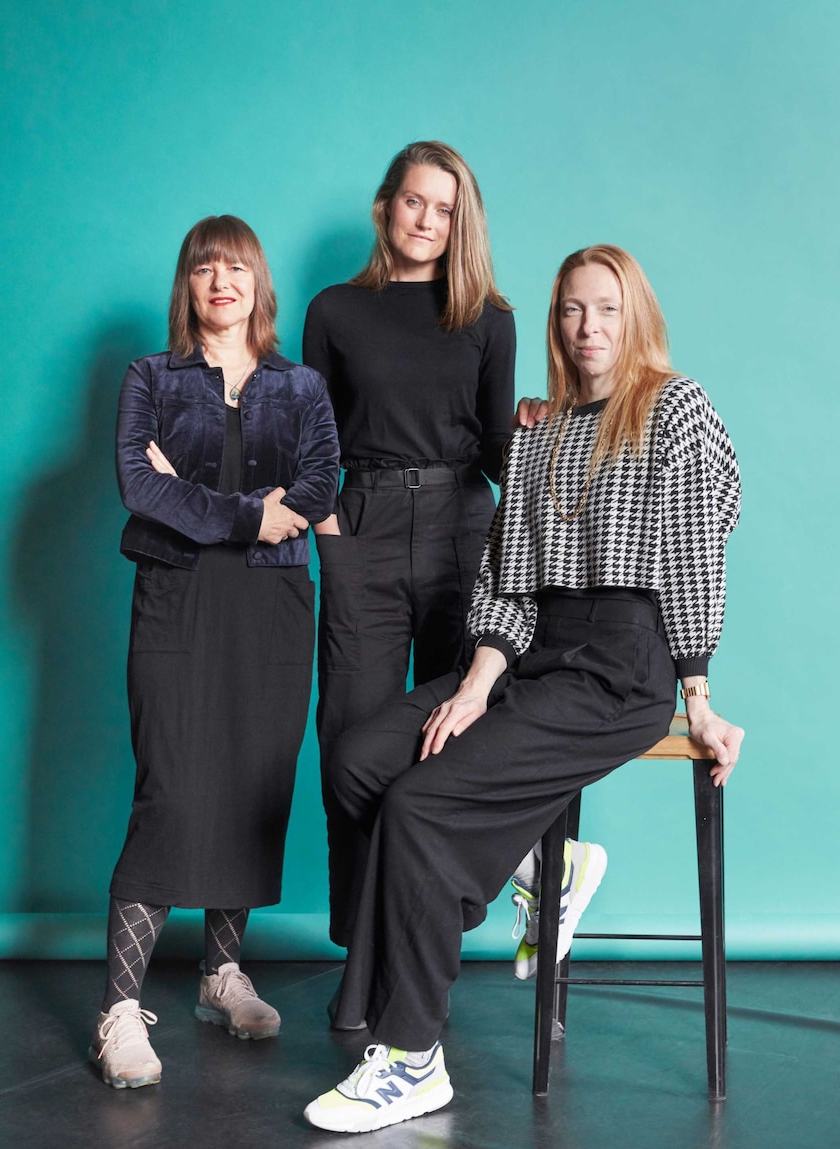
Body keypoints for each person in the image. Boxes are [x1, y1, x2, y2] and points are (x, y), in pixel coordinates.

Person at [303, 244, 744, 1133]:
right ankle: (543, 865)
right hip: (530, 653)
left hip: (621, 667)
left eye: (608, 309)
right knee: (361, 758)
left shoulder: (674, 408)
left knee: (424, 807)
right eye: (574, 310)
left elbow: (700, 546)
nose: (590, 327)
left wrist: (696, 691)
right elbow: (506, 574)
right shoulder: (537, 433)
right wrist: (473, 683)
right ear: (556, 322)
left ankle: (414, 1056)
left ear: (637, 316)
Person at [302, 142, 599, 1010]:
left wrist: (544, 427)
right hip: (363, 525)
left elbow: (502, 451)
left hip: (465, 528)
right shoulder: (334, 311)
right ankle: (362, 963)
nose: (428, 222)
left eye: (445, 208)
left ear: (460, 220)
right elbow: (316, 437)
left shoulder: (488, 317)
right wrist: (329, 526)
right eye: (414, 204)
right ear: (384, 207)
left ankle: (425, 940)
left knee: (457, 726)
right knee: (351, 740)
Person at [89, 215, 339, 1089]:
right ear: (187, 285)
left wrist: (194, 492)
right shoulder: (148, 377)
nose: (221, 281)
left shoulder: (301, 384)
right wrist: (244, 512)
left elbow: (321, 480)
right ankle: (120, 1010)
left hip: (272, 601)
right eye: (204, 268)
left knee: (250, 776)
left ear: (259, 284)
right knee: (173, 780)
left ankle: (219, 974)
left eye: (236, 267)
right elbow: (136, 482)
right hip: (177, 595)